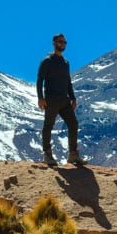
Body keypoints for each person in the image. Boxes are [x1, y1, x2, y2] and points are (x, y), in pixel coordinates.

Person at [36, 33, 84, 165]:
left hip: (64, 100)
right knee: (48, 126)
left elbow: (68, 82)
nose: (62, 44)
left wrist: (73, 98)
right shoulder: (47, 61)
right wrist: (40, 98)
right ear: (54, 43)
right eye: (60, 42)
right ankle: (47, 155)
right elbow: (40, 80)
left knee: (73, 124)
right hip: (51, 100)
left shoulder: (65, 63)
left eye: (64, 42)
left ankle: (73, 155)